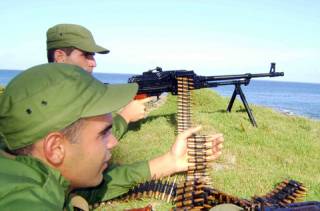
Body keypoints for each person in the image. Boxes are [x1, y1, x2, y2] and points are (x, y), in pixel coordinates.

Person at [0, 63, 224, 210]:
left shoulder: (34, 172)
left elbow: (99, 183)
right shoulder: (25, 199)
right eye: (103, 133)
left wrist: (170, 162)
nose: (114, 141)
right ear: (56, 149)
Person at [46, 23, 148, 140]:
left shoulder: (59, 89)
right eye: (86, 55)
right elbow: (84, 143)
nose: (93, 63)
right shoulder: (52, 98)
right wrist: (126, 117)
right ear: (59, 57)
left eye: (92, 56)